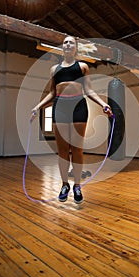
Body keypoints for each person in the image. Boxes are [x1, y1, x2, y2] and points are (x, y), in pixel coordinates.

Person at [31, 36, 112, 204]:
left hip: (78, 107)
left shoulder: (82, 66)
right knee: (62, 151)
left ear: (76, 48)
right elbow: (52, 93)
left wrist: (103, 103)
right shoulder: (54, 69)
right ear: (62, 47)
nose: (68, 44)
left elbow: (88, 90)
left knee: (76, 149)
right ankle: (64, 185)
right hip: (60, 107)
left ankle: (77, 186)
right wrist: (37, 107)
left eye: (71, 43)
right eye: (65, 42)